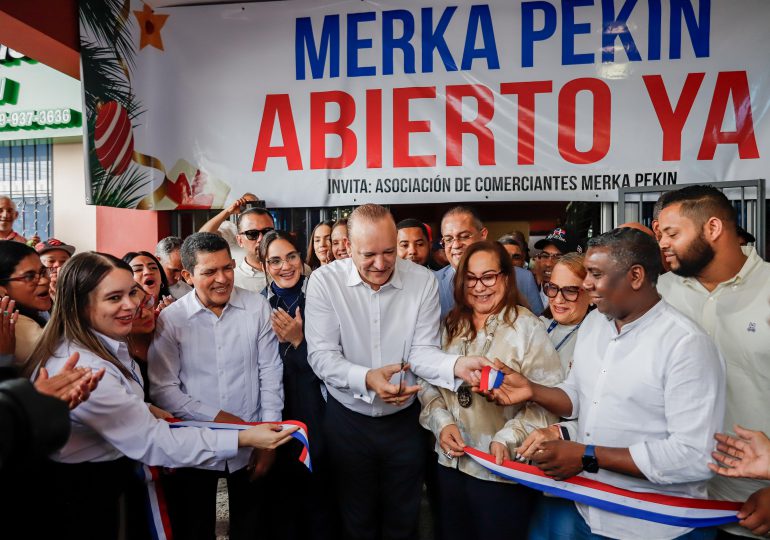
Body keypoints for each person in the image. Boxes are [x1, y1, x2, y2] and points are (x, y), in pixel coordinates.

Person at [21, 251, 296, 540]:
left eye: (131, 293)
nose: (131, 305)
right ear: (81, 304)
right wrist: (243, 436)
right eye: (114, 298)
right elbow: (154, 440)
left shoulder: (105, 345)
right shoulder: (85, 368)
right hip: (84, 492)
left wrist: (146, 408)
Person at [486, 227, 725, 540]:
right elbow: (581, 397)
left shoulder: (686, 345)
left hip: (657, 527)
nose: (586, 284)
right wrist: (532, 390)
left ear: (636, 276)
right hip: (588, 513)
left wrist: (586, 456)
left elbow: (696, 457)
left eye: (595, 274)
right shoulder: (596, 323)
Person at [304, 203, 491, 540]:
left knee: (404, 519)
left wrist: (457, 365)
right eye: (369, 254)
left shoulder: (421, 281)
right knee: (354, 518)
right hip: (348, 419)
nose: (381, 263)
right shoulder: (324, 282)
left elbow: (422, 353)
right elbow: (322, 357)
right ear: (348, 247)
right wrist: (366, 378)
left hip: (405, 420)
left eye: (389, 251)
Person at [419, 241, 563, 540]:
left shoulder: (527, 327)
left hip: (502, 471)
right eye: (470, 278)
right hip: (450, 464)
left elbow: (549, 402)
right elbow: (426, 382)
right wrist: (441, 423)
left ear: (506, 278)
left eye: (489, 276)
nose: (479, 286)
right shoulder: (450, 324)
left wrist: (509, 438)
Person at [149, 232, 285, 540]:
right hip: (195, 442)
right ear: (187, 275)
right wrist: (221, 420)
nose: (222, 279)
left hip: (254, 438)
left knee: (252, 527)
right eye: (210, 271)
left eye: (228, 267)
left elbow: (270, 373)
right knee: (194, 527)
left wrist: (268, 435)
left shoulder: (257, 308)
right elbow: (163, 389)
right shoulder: (171, 320)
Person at [656, 185, 770, 539]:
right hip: (671, 501)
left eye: (672, 233)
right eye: (660, 234)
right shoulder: (658, 292)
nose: (662, 244)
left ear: (713, 228)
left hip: (751, 503)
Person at [260, 230, 335, 540]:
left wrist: (298, 341)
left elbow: (333, 368)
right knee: (280, 499)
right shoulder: (256, 306)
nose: (285, 266)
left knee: (319, 496)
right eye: (275, 260)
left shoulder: (322, 299)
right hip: (271, 411)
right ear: (263, 265)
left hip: (318, 412)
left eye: (291, 257)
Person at [517, 253, 594, 539]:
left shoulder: (596, 337)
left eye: (571, 290)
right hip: (530, 451)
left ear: (591, 292)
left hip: (570, 455)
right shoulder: (539, 324)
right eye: (552, 288)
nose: (558, 299)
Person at [435, 206, 543, 318]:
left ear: (483, 235)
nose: (456, 245)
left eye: (464, 236)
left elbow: (538, 322)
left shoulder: (522, 278)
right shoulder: (432, 282)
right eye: (448, 239)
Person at [0, 242, 52, 363]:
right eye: (29, 276)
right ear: (2, 288)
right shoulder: (15, 326)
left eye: (43, 272)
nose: (44, 281)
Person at [199, 192, 260, 261]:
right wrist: (228, 211)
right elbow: (203, 236)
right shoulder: (231, 228)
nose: (248, 210)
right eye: (244, 205)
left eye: (252, 205)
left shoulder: (266, 228)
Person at [532, 227, 580, 308]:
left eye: (558, 257)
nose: (548, 263)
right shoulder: (527, 290)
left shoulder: (581, 297)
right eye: (545, 255)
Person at [232, 206, 275, 293]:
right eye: (252, 234)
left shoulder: (296, 270)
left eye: (267, 232)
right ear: (240, 240)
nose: (261, 239)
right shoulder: (232, 281)